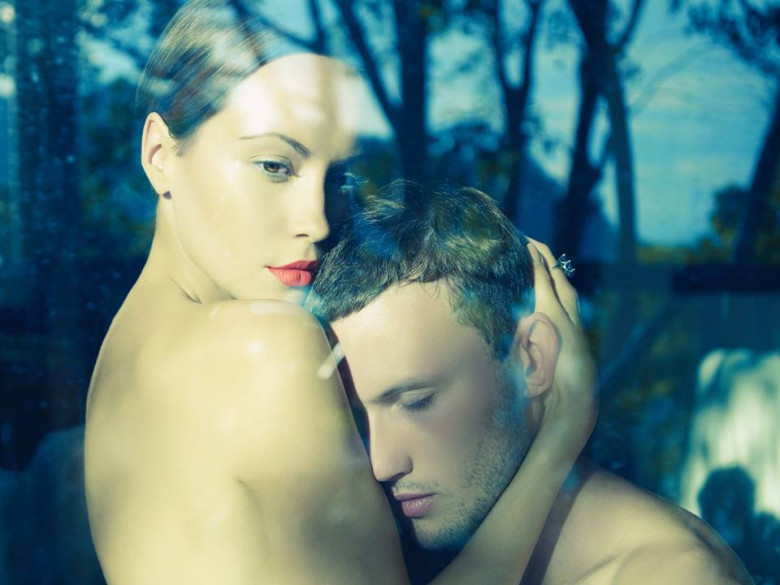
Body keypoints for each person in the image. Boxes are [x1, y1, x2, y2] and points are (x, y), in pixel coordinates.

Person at [83, 1, 596, 583]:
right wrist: (560, 431)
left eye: (336, 178)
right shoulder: (263, 348)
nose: (319, 221)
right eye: (274, 166)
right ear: (159, 154)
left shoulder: (123, 354)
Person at [308, 181, 754, 584]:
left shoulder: (673, 576)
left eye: (417, 402)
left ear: (533, 360)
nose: (382, 464)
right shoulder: (407, 556)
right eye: (359, 418)